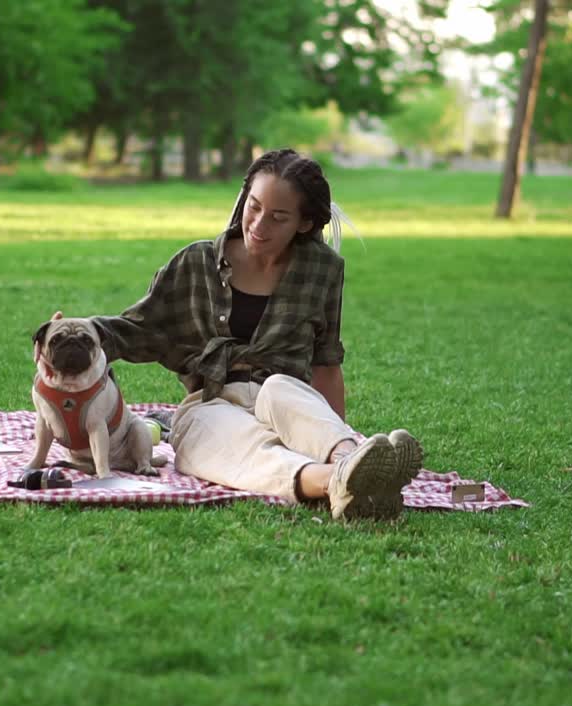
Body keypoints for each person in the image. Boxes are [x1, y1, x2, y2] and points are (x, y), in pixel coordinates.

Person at [80, 148, 423, 521]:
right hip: (211, 401)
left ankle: (349, 457)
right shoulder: (196, 262)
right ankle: (337, 481)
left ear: (304, 223)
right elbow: (139, 328)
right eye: (254, 206)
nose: (259, 225)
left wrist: (337, 430)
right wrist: (77, 333)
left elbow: (326, 362)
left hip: (283, 393)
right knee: (234, 444)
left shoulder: (322, 271)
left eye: (278, 217)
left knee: (282, 389)